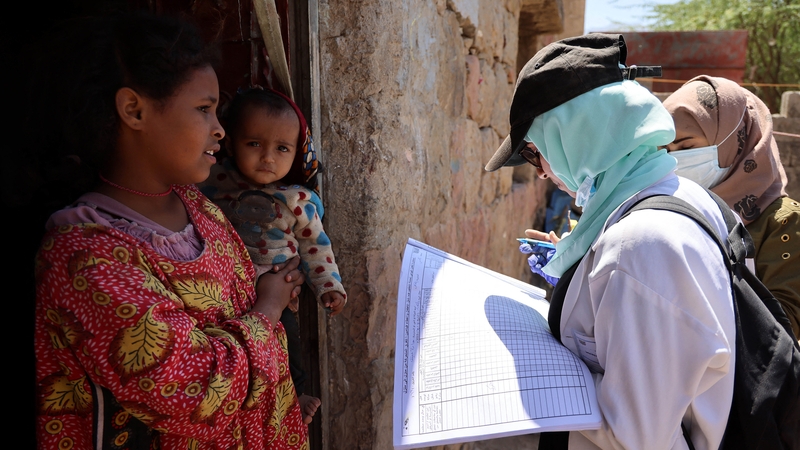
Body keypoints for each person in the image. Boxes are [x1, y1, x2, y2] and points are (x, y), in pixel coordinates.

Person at [33, 13, 309, 449]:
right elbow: (196, 392)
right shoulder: (85, 259)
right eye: (204, 109)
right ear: (134, 110)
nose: (220, 129)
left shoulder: (197, 206)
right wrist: (268, 309)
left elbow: (228, 297)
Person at [485, 34, 735, 449]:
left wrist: (524, 383)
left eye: (534, 152)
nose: (542, 172)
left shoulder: (639, 247)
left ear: (575, 133)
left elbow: (632, 438)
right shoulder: (681, 195)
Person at [199, 87, 348, 423]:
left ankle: (296, 392)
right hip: (223, 292)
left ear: (296, 153)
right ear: (233, 141)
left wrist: (329, 286)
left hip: (278, 294)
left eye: (282, 148)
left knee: (286, 347)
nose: (268, 157)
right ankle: (247, 404)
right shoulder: (212, 181)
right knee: (233, 347)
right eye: (254, 144)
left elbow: (316, 247)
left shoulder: (296, 200)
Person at [662, 75, 800, 339]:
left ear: (733, 140)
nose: (676, 160)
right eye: (666, 151)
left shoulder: (783, 222)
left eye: (687, 146)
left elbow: (784, 325)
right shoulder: (672, 210)